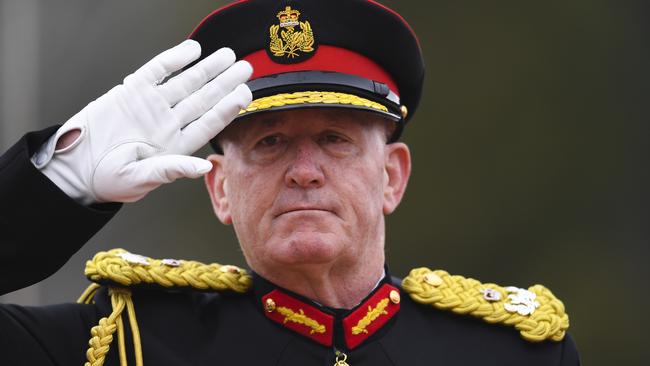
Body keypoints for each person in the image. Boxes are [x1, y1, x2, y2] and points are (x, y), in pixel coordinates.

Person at [0, 0, 580, 365]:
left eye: (335, 138)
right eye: (269, 143)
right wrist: (57, 181)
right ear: (220, 188)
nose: (304, 171)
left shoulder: (512, 351)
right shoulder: (123, 344)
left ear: (392, 177)